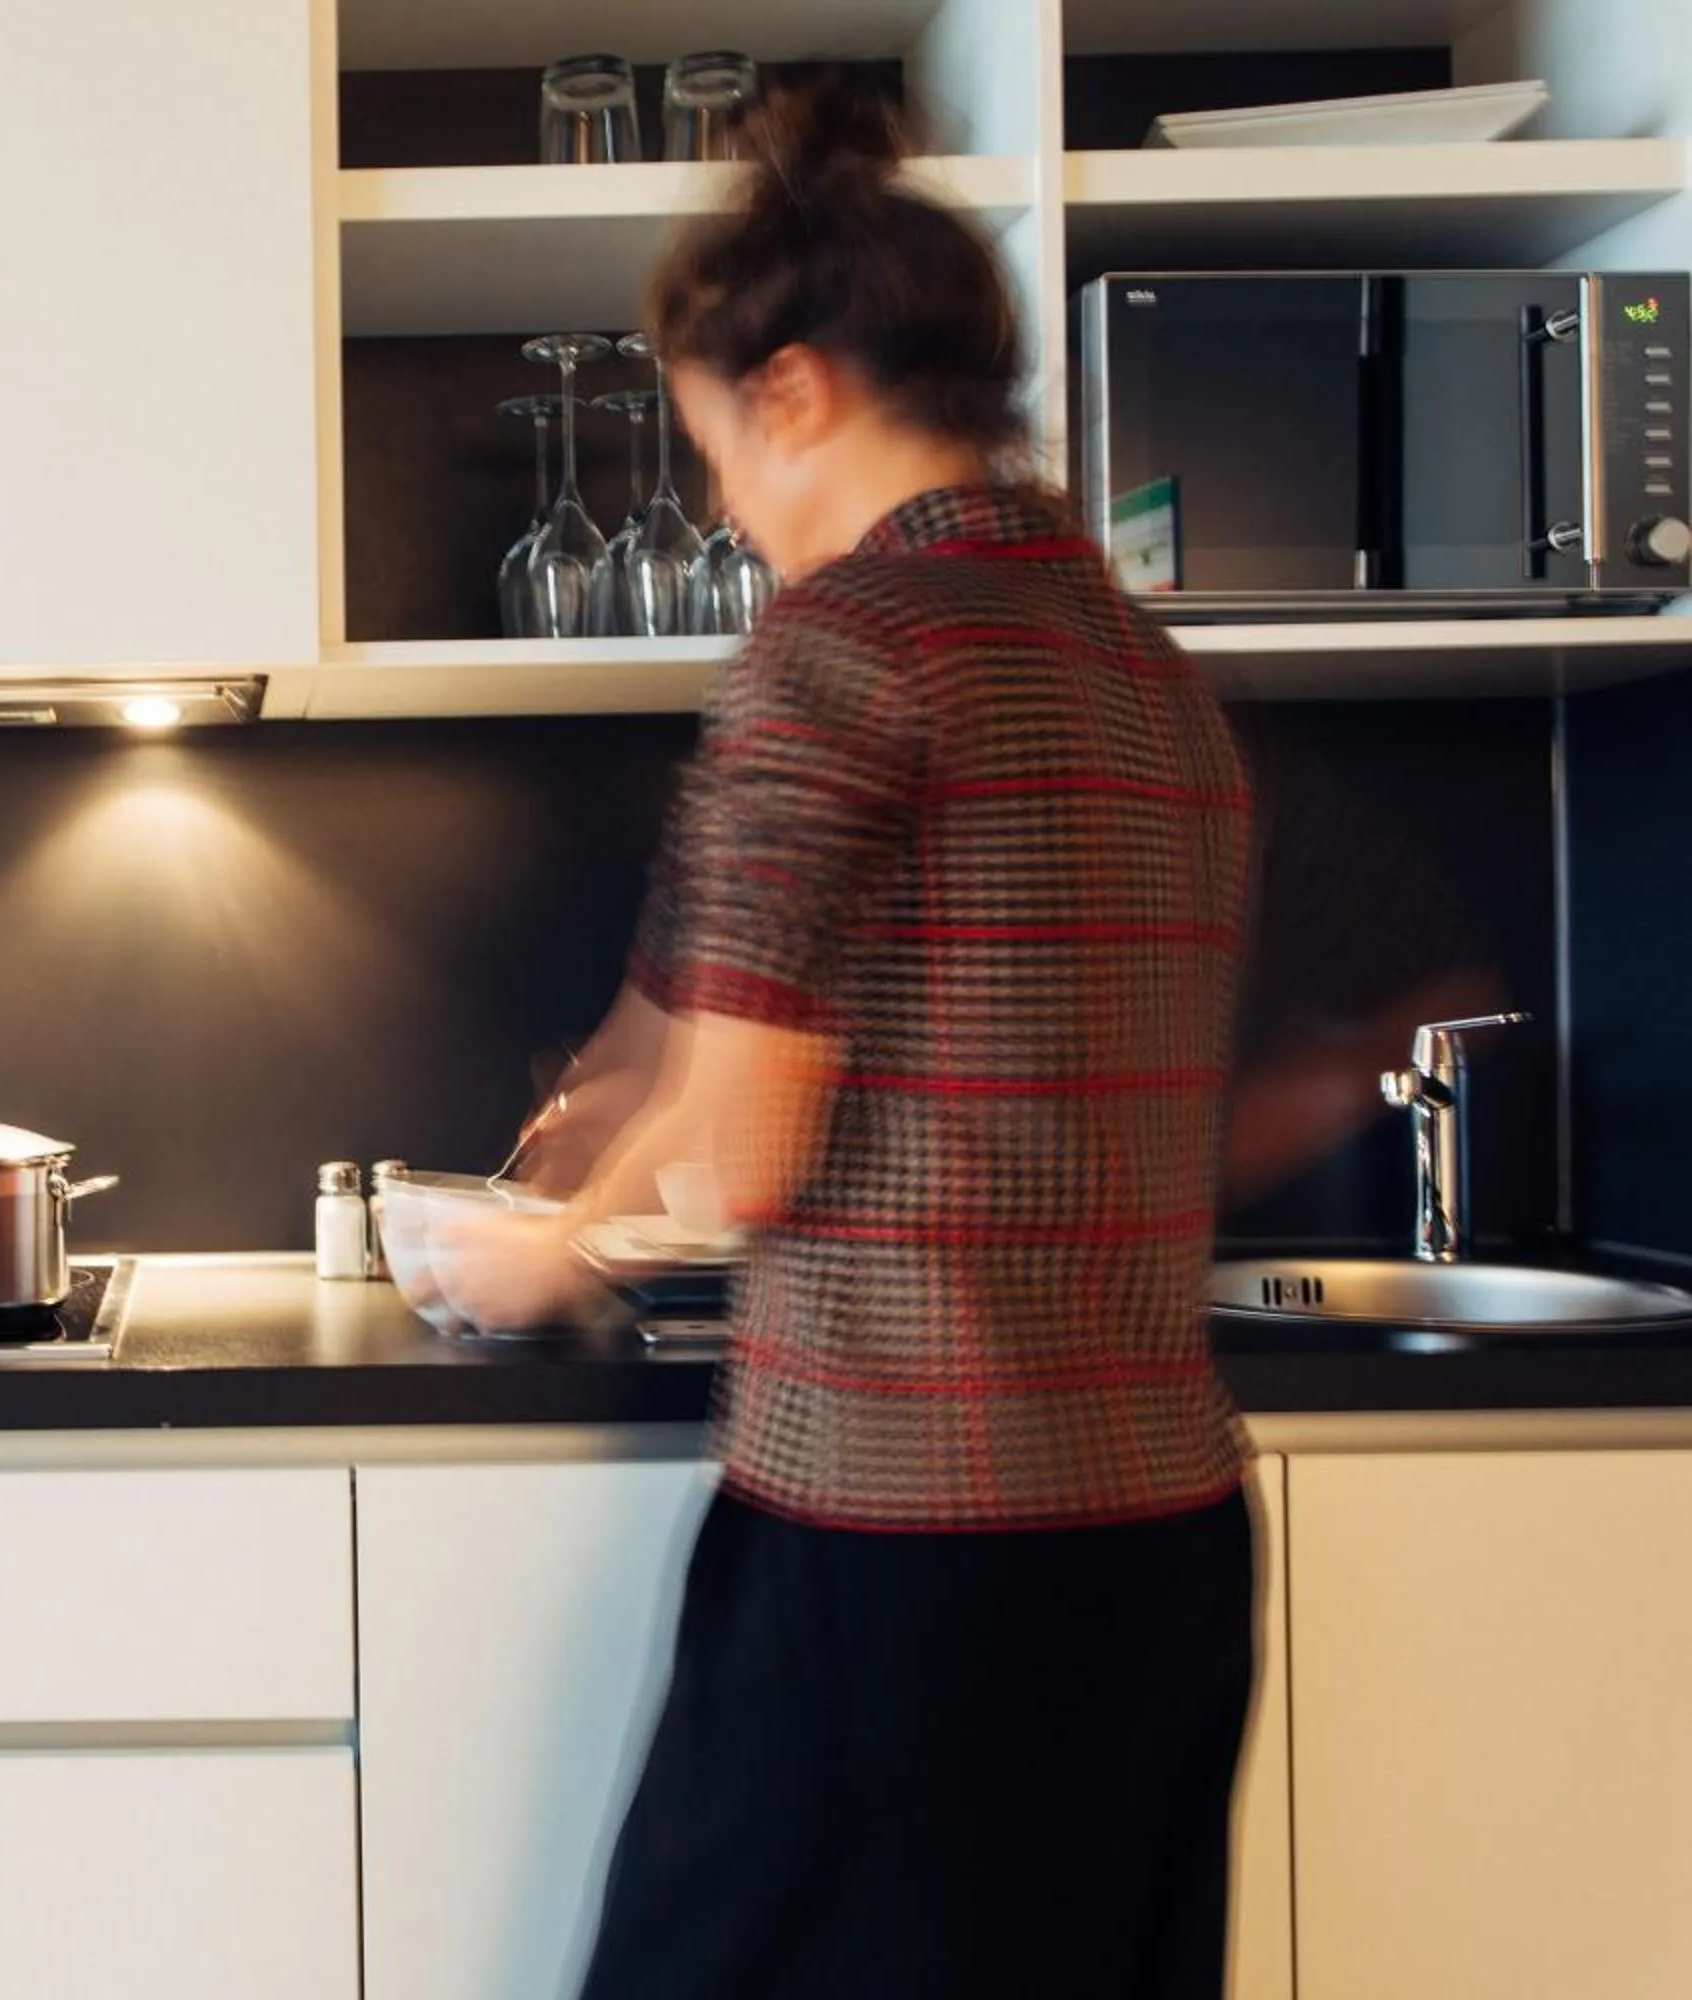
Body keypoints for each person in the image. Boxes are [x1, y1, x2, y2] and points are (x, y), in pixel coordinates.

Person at [445, 84, 1261, 2000]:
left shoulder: (844, 643)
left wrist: (543, 1245)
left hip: (905, 1540)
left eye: (715, 446)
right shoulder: (1149, 671)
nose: (724, 505)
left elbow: (753, 1142)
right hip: (1163, 1543)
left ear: (794, 391)